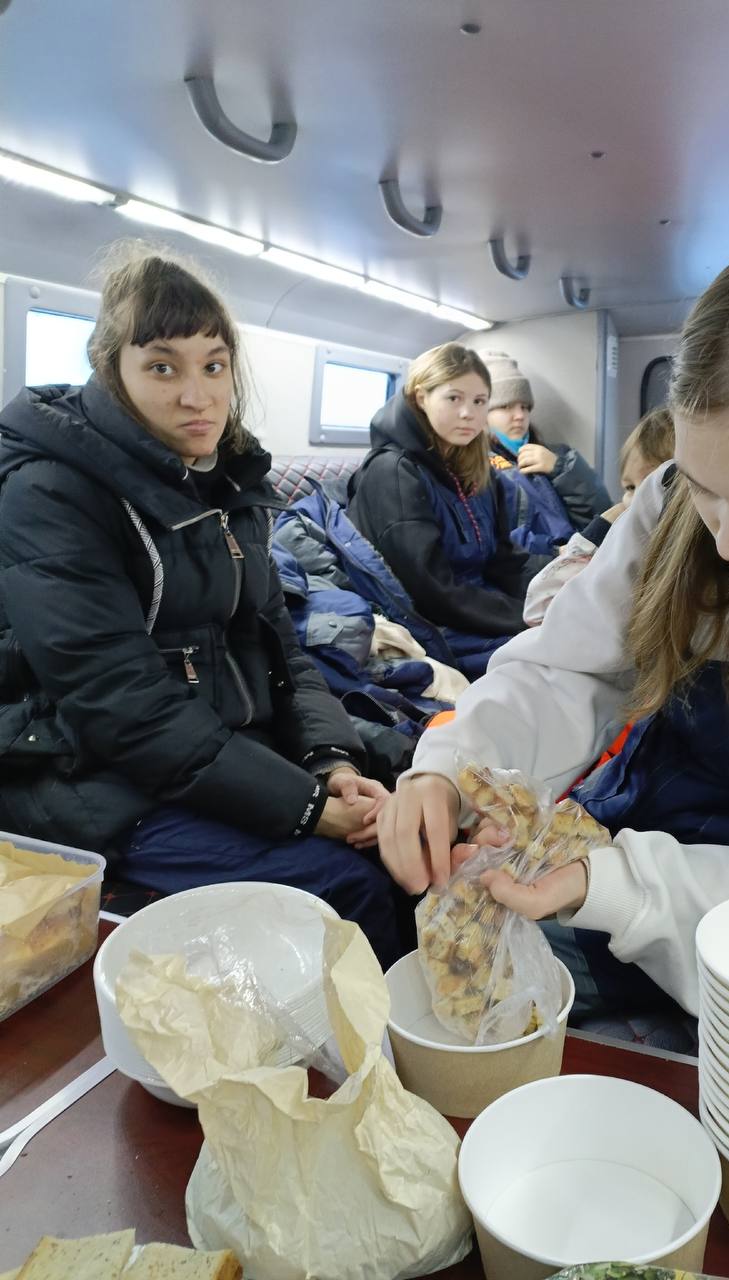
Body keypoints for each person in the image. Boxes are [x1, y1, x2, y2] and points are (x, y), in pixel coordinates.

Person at [376, 220, 729, 1017]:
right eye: (705, 488)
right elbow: (569, 666)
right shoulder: (676, 504)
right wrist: (454, 762)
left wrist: (613, 884)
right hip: (667, 821)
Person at [0, 243, 410, 967]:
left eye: (213, 365)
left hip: (214, 750)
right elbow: (120, 703)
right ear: (112, 373)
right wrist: (307, 809)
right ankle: (347, 1070)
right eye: (163, 366)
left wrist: (328, 762)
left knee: (414, 799)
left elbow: (280, 645)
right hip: (88, 778)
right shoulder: (49, 494)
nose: (198, 395)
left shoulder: (226, 484)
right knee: (349, 888)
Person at [348, 343, 541, 681]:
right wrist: (522, 616)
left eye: (479, 401)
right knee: (548, 660)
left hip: (478, 612)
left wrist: (549, 596)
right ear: (422, 398)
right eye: (454, 398)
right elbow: (429, 590)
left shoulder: (478, 470)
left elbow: (504, 561)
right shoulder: (393, 471)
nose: (469, 412)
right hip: (432, 627)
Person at [523, 407, 675, 625]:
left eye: (656, 485)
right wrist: (599, 530)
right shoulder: (624, 546)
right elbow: (539, 609)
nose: (636, 501)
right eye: (630, 488)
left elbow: (540, 612)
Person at [484, 351, 611, 554]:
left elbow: (600, 513)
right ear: (483, 412)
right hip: (539, 567)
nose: (519, 416)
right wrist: (555, 552)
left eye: (524, 407)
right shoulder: (480, 467)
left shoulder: (555, 455)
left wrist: (561, 469)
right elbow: (496, 540)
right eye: (506, 406)